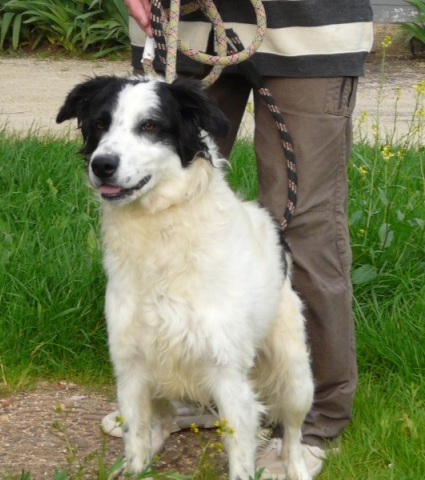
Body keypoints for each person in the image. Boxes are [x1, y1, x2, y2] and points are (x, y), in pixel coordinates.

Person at [101, 0, 374, 477]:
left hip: (308, 26)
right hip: (183, 20)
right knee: (157, 210)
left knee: (304, 228)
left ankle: (310, 422)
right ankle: (188, 394)